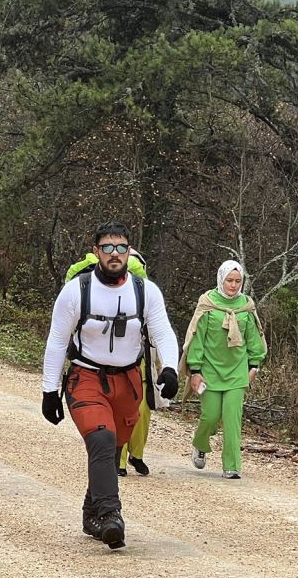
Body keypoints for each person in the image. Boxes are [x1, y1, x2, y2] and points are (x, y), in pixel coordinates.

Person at [40, 222, 180, 549]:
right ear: (95, 252)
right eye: (107, 248)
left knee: (113, 446)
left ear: (129, 252)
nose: (114, 254)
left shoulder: (146, 291)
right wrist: (49, 390)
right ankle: (110, 515)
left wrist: (170, 369)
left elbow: (163, 333)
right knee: (102, 439)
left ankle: (91, 512)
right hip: (86, 378)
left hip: (129, 381)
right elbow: (57, 341)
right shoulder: (76, 290)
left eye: (121, 248)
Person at [65, 248, 154, 477]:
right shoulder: (136, 271)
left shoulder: (78, 272)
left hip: (101, 356)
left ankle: (125, 461)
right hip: (130, 357)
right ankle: (126, 459)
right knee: (134, 411)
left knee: (124, 413)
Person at [183, 261, 267, 479]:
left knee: (232, 418)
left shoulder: (246, 306)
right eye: (229, 281)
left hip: (237, 371)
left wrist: (254, 366)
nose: (233, 285)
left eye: (238, 281)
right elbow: (197, 338)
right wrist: (195, 370)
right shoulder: (208, 303)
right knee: (210, 416)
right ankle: (200, 444)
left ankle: (232, 466)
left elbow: (254, 339)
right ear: (221, 279)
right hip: (209, 370)